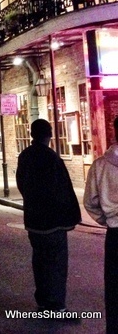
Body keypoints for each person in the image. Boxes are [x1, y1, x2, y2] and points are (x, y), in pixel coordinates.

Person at [16, 119, 81, 313]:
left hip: (33, 219)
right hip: (53, 222)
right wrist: (69, 217)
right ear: (49, 134)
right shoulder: (52, 158)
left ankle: (43, 298)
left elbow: (22, 183)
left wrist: (31, 202)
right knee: (57, 264)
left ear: (32, 134)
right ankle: (56, 304)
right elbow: (62, 190)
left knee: (40, 260)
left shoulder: (25, 156)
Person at [84, 116, 118, 333]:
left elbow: (90, 202)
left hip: (115, 234)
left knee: (115, 288)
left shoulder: (100, 165)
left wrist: (107, 219)